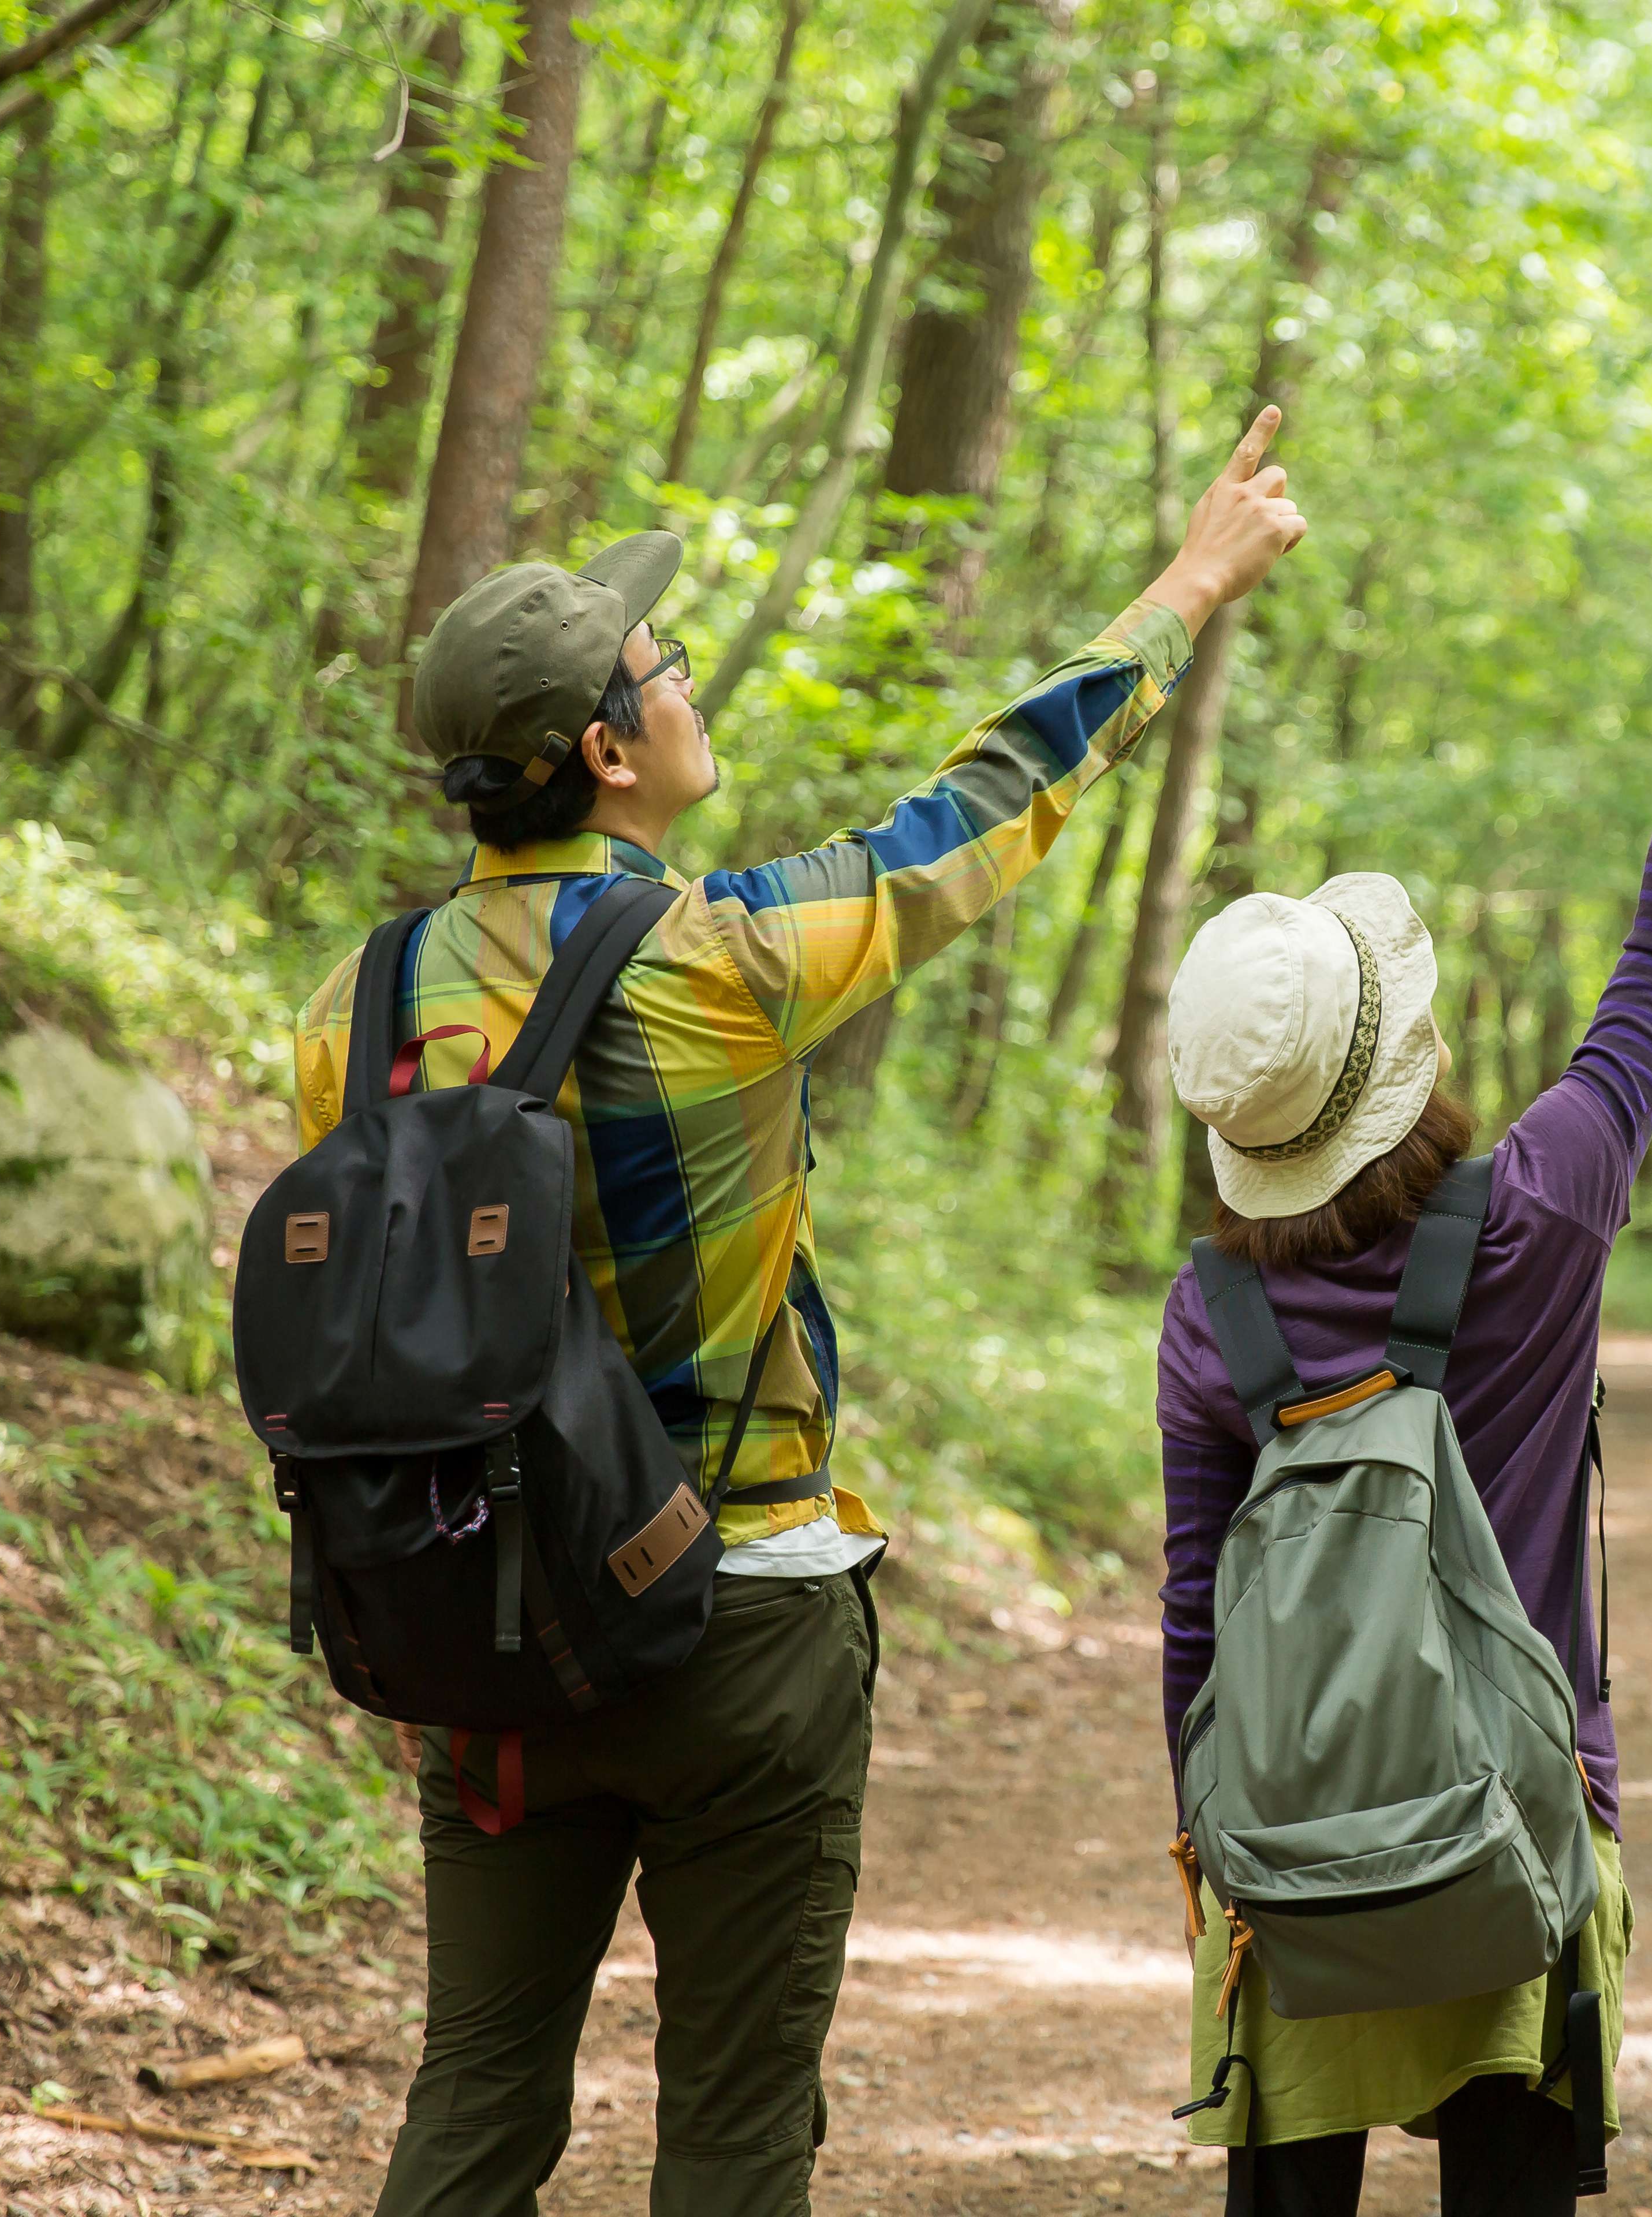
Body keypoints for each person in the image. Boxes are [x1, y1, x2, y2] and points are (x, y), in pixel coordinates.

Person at [292, 410, 1306, 2217]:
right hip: (735, 1617)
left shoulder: (351, 1010)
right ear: (609, 753)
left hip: (478, 1632)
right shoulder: (727, 963)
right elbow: (983, 807)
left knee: (477, 2102)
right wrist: (1187, 587)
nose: (688, 678)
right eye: (664, 665)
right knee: (739, 2133)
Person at [1148, 503, 1652, 2217]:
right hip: (1519, 1829)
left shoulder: (1211, 1320)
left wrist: (1208, 1841)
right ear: (1408, 1056)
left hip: (1296, 1848)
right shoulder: (1541, 1215)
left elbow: (1198, 1610)